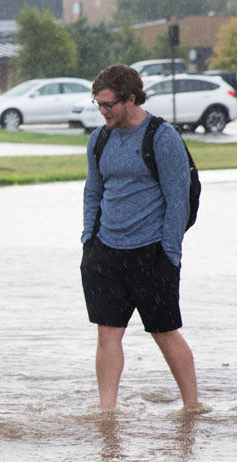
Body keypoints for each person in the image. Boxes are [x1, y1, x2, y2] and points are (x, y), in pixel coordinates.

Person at [80, 64, 201, 411]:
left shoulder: (162, 138)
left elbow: (178, 200)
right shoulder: (99, 139)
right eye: (97, 104)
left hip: (152, 254)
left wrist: (170, 255)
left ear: (130, 99)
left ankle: (192, 406)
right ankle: (107, 412)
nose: (102, 111)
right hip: (105, 253)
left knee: (164, 333)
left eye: (108, 105)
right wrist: (89, 240)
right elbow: (93, 192)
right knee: (107, 334)